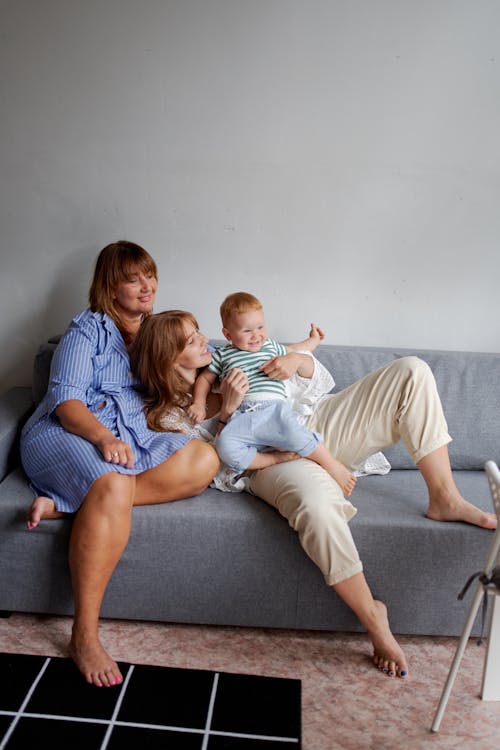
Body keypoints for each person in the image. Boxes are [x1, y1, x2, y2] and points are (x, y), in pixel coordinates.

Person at [130, 309, 498, 680]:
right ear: (168, 358)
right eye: (190, 341)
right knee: (317, 507)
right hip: (271, 461)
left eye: (198, 333)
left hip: (313, 424)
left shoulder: (236, 353)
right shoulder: (170, 416)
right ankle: (372, 613)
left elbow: (320, 382)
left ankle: (444, 497)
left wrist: (295, 362)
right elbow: (221, 470)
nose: (203, 340)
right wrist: (228, 412)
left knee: (411, 370)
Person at [20, 241, 219, 689]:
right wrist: (103, 438)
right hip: (69, 431)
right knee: (111, 484)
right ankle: (84, 634)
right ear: (110, 286)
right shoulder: (87, 331)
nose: (146, 285)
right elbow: (65, 399)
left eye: (149, 275)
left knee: (204, 460)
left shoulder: (155, 327)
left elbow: (189, 370)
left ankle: (68, 506)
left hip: (130, 436)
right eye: (133, 278)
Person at [189, 292, 356, 496]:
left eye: (260, 327)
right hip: (242, 416)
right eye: (247, 330)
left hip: (274, 410)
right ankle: (275, 458)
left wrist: (312, 341)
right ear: (228, 334)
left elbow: (296, 350)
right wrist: (198, 403)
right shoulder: (223, 354)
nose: (256, 335)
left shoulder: (270, 347)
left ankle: (331, 464)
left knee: (297, 433)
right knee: (225, 446)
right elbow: (205, 379)